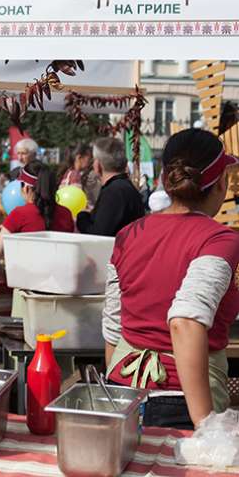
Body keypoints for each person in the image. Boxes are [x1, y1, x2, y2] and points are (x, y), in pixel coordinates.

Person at [103, 129, 239, 429]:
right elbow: (186, 320)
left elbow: (113, 327)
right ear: (221, 184)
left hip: (120, 389)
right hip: (180, 402)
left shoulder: (129, 234)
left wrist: (114, 388)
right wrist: (205, 425)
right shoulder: (219, 239)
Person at [0, 161, 74, 263]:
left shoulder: (19, 214)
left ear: (26, 188)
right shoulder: (66, 213)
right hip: (59, 275)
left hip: (28, 276)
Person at [76, 137, 146, 236]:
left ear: (97, 165)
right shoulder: (125, 187)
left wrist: (82, 217)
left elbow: (98, 235)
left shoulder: (114, 192)